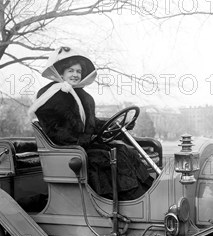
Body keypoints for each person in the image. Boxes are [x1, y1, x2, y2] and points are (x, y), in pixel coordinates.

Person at [29, 46, 152, 201]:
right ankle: (124, 200)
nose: (75, 75)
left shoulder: (83, 96)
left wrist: (116, 125)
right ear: (61, 73)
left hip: (84, 146)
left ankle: (142, 194)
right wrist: (85, 141)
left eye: (78, 71)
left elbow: (92, 123)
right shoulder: (50, 96)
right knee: (103, 157)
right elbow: (56, 131)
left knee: (124, 151)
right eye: (71, 71)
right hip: (68, 149)